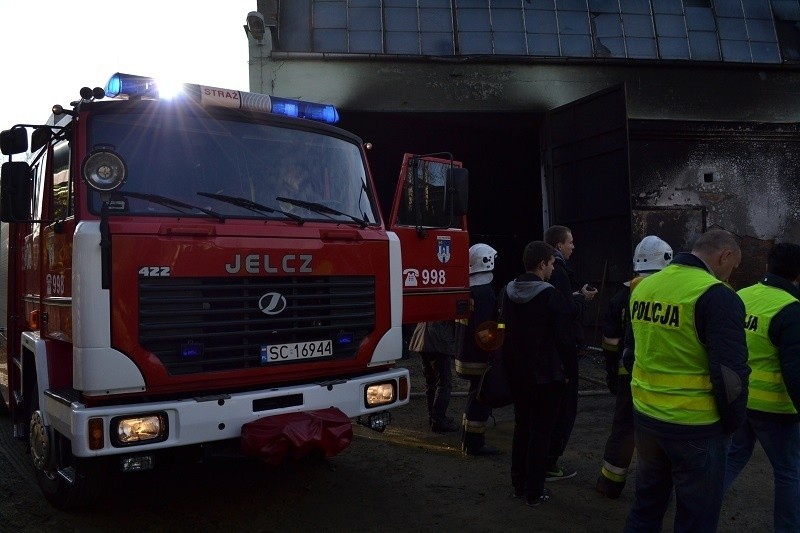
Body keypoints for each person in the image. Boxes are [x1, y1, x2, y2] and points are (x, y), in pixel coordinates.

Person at [622, 228, 750, 533]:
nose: (731, 274)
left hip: (647, 419)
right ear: (725, 256)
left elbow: (630, 354)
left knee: (646, 508)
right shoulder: (716, 295)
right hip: (696, 427)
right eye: (733, 267)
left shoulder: (643, 288)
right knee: (696, 519)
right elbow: (730, 376)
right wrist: (732, 423)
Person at [724, 242, 800, 532]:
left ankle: (701, 508)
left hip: (740, 400)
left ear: (767, 266)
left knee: (733, 458)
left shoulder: (740, 296)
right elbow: (795, 371)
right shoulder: (791, 309)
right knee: (788, 472)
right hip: (776, 409)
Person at [595, 236, 673, 499]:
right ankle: (658, 490)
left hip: (629, 375)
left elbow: (610, 342)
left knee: (623, 429)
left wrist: (610, 372)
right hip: (664, 379)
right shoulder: (672, 294)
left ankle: (610, 484)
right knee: (664, 433)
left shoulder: (622, 296)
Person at [501, 240, 574, 507]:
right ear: (542, 264)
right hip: (547, 377)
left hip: (517, 374)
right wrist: (568, 371)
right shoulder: (551, 295)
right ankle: (534, 491)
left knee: (522, 427)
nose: (554, 268)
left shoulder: (507, 292)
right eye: (552, 263)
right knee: (541, 433)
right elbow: (563, 339)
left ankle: (518, 484)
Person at [543, 224, 597, 480]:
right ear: (557, 246)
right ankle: (550, 463)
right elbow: (563, 313)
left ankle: (542, 461)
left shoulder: (555, 275)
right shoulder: (559, 273)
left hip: (550, 355)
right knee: (563, 409)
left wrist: (574, 296)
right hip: (562, 355)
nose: (573, 246)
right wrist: (580, 301)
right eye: (570, 242)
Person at [455, 243, 501, 456]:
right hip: (478, 356)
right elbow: (485, 330)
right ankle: (475, 444)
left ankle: (467, 439)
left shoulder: (468, 289)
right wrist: (502, 333)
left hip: (464, 353)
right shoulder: (485, 293)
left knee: (473, 396)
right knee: (480, 398)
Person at [408, 320, 459, 433]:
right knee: (443, 383)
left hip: (422, 339)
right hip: (438, 341)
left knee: (431, 382)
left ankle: (434, 417)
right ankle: (438, 420)